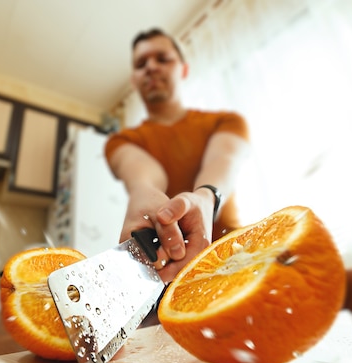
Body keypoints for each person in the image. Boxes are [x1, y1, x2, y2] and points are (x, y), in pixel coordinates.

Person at [105, 28, 250, 283]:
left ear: (183, 69)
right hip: (168, 278)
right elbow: (139, 169)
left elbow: (223, 160)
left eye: (162, 59)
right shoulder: (121, 141)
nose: (150, 67)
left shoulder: (226, 121)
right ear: (134, 80)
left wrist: (205, 198)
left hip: (237, 263)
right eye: (141, 64)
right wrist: (143, 192)